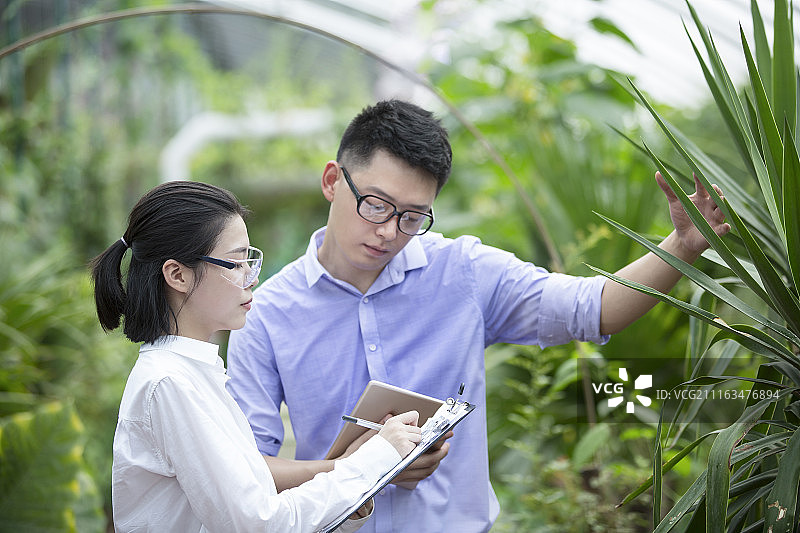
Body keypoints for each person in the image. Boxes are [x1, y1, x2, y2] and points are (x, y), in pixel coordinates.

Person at [226, 100, 731, 532]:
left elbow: (592, 308)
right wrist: (353, 467)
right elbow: (249, 469)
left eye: (411, 217)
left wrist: (681, 247)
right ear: (333, 181)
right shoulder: (267, 311)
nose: (387, 231)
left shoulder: (463, 271)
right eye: (375, 205)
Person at [91, 180, 424, 532]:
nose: (250, 277)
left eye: (251, 261)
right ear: (178, 275)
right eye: (235, 264)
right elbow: (258, 524)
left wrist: (358, 484)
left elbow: (259, 508)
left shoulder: (195, 373)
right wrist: (373, 462)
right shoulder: (170, 383)